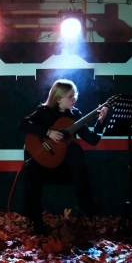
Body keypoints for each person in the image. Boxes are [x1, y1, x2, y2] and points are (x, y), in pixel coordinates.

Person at [18, 79, 109, 235]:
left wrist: (100, 122)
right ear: (59, 98)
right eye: (70, 97)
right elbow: (23, 124)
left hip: (65, 169)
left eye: (75, 96)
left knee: (74, 148)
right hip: (44, 167)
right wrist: (49, 132)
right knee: (29, 170)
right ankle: (35, 220)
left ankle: (84, 203)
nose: (74, 100)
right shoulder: (43, 112)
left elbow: (92, 140)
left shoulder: (76, 115)